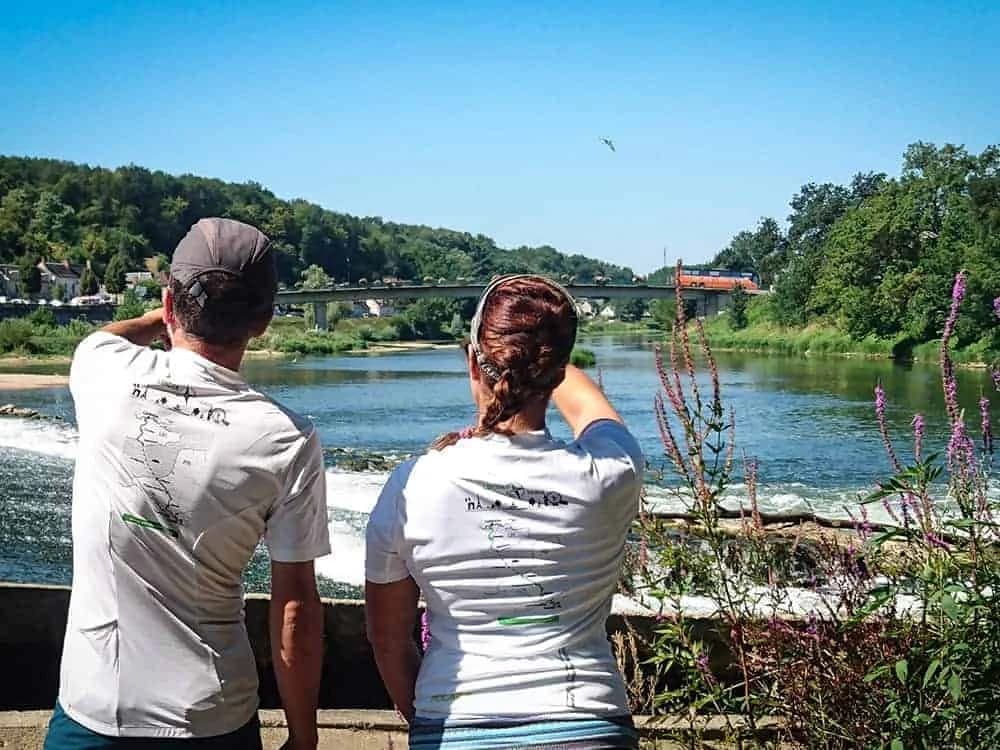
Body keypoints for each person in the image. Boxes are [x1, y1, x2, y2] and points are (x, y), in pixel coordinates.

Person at [45, 218, 330, 750]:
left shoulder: (102, 373)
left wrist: (166, 314)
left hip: (95, 709)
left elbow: (102, 337)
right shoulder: (287, 438)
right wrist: (303, 734)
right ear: (264, 321)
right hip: (212, 717)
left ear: (171, 305)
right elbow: (295, 605)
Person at [365, 275, 644, 749]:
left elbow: (389, 640)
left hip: (455, 724)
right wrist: (544, 350)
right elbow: (589, 406)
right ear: (556, 373)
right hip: (588, 723)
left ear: (474, 362)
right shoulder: (611, 471)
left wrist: (430, 721)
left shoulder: (412, 485)